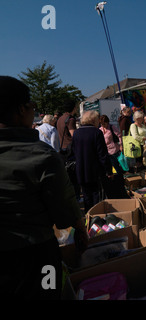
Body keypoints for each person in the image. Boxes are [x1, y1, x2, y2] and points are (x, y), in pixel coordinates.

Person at [0, 76, 88, 299]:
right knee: (48, 291)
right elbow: (65, 209)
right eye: (31, 105)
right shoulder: (41, 155)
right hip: (37, 254)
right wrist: (80, 230)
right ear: (21, 109)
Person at [72, 110, 113, 213]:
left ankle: (88, 217)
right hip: (94, 171)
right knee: (96, 197)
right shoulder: (96, 132)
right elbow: (102, 155)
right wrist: (109, 171)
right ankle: (96, 218)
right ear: (94, 120)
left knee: (86, 197)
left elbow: (73, 151)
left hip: (81, 170)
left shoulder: (76, 133)